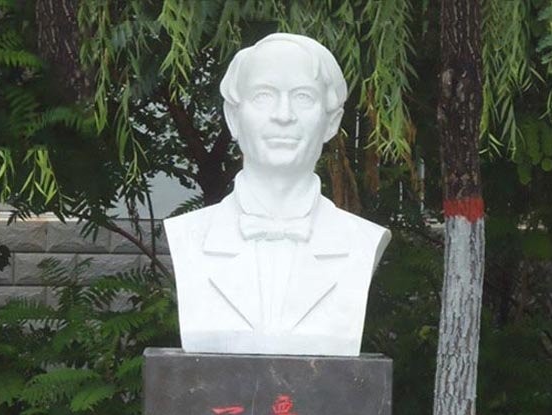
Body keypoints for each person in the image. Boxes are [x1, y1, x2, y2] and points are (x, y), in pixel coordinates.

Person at [164, 32, 391, 357]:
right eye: (263, 96)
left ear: (331, 122)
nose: (283, 115)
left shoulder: (360, 242)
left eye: (303, 97)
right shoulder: (188, 237)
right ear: (233, 117)